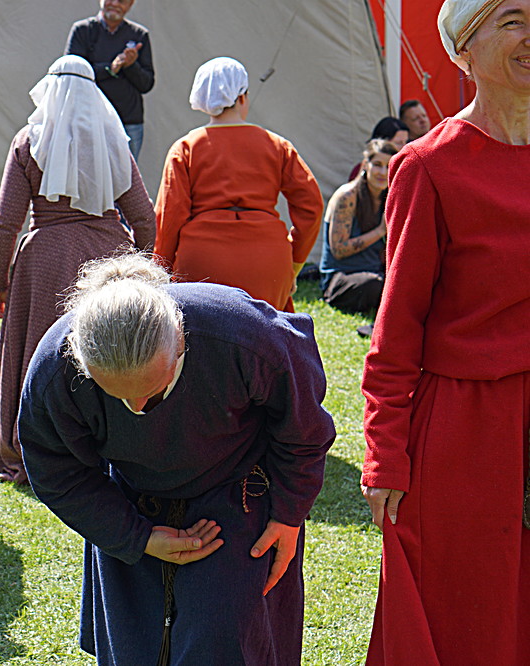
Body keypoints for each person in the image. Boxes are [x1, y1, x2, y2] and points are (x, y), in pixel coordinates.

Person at [18, 252, 334, 665]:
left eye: (152, 390)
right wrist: (136, 536)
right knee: (135, 644)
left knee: (226, 635)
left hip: (240, 488)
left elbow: (304, 426)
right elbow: (55, 471)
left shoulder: (242, 333)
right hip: (131, 498)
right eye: (118, 395)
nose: (138, 406)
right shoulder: (55, 369)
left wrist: (288, 514)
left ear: (181, 342)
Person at [361, 1, 530, 663]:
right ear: (464, 48)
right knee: (468, 618)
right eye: (513, 20)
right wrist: (385, 454)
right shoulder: (428, 166)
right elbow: (397, 328)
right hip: (468, 434)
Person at [0, 55, 155, 485]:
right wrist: (140, 267)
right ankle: (109, 444)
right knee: (110, 351)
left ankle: (31, 446)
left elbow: (6, 221)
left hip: (44, 261)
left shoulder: (29, 141)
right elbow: (144, 216)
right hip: (108, 257)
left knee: (38, 357)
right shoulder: (113, 140)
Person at [154, 57, 323, 312]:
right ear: (243, 97)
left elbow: (169, 216)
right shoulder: (277, 146)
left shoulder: (185, 148)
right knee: (267, 333)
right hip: (267, 259)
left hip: (202, 261)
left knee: (201, 333)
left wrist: (161, 271)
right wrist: (295, 260)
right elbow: (311, 206)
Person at [66, 0, 154, 161]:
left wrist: (130, 65)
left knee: (126, 174)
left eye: (121, 1)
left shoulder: (139, 35)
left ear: (130, 4)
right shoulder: (83, 30)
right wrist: (109, 69)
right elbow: (72, 75)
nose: (114, 4)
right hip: (88, 120)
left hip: (128, 122)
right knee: (88, 171)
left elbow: (146, 84)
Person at [320, 139, 397, 314]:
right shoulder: (347, 196)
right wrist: (380, 231)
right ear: (365, 165)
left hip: (374, 271)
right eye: (377, 165)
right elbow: (339, 250)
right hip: (342, 277)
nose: (382, 172)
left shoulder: (389, 197)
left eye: (388, 167)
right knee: (374, 285)